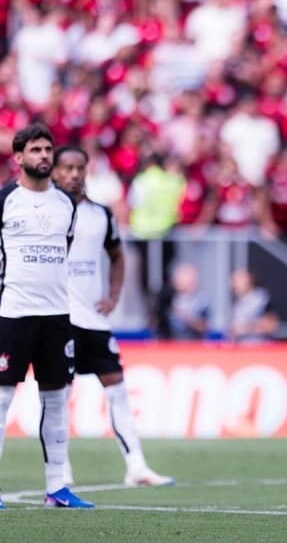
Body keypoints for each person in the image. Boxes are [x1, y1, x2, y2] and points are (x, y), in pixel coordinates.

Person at [52, 146, 174, 487]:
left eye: (80, 168)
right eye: (67, 168)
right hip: (59, 319)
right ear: (55, 172)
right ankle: (59, 470)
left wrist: (114, 295)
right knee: (59, 393)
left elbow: (117, 256)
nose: (74, 174)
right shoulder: (45, 213)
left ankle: (136, 466)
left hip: (95, 320)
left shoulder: (101, 215)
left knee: (117, 389)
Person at [0, 124, 94, 508]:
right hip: (13, 315)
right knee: (2, 399)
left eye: (47, 149)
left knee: (57, 400)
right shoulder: (5, 200)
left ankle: (57, 487)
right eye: (35, 150)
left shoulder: (66, 205)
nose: (43, 156)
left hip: (57, 316)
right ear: (19, 157)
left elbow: (64, 251)